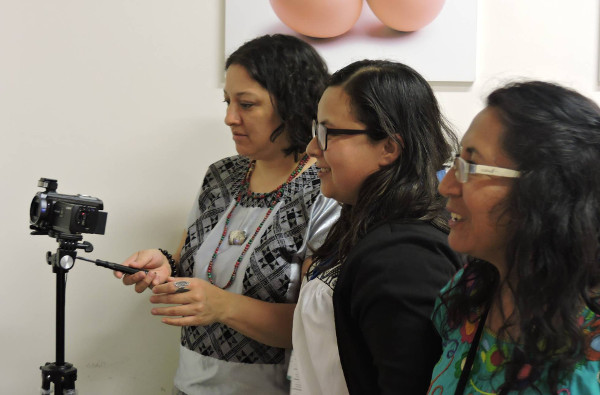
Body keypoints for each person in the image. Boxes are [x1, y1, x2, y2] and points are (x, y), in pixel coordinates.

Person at [115, 34, 340, 394]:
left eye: (246, 105)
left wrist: (224, 306)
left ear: (293, 105)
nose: (229, 118)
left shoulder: (326, 189)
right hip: (188, 385)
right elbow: (187, 262)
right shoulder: (221, 175)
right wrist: (164, 266)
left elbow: (317, 325)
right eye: (227, 102)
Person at [289, 59, 463, 395]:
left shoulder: (405, 255)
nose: (312, 148)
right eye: (315, 131)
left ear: (388, 148)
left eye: (327, 133)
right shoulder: (363, 219)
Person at [428, 81, 600, 394]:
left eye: (473, 166)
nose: (446, 186)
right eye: (457, 161)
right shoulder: (469, 292)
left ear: (547, 192)